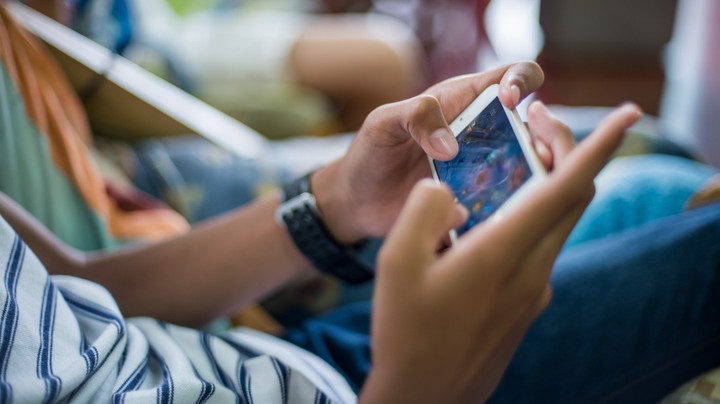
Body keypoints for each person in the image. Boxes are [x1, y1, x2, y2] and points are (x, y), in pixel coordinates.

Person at [2, 3, 720, 402]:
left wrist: (337, 204)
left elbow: (78, 285)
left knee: (655, 183)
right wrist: (423, 387)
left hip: (280, 360)